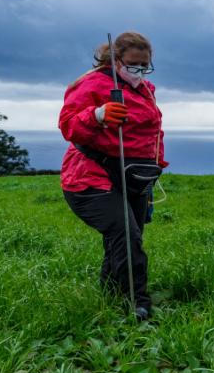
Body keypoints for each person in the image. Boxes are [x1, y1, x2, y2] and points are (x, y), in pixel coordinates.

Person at [58, 31, 168, 321]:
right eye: (133, 64)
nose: (139, 71)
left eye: (145, 66)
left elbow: (154, 131)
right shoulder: (91, 84)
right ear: (116, 59)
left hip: (134, 177)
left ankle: (110, 297)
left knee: (124, 238)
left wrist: (156, 165)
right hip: (90, 177)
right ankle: (138, 304)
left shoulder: (145, 89)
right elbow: (68, 125)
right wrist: (97, 115)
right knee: (126, 235)